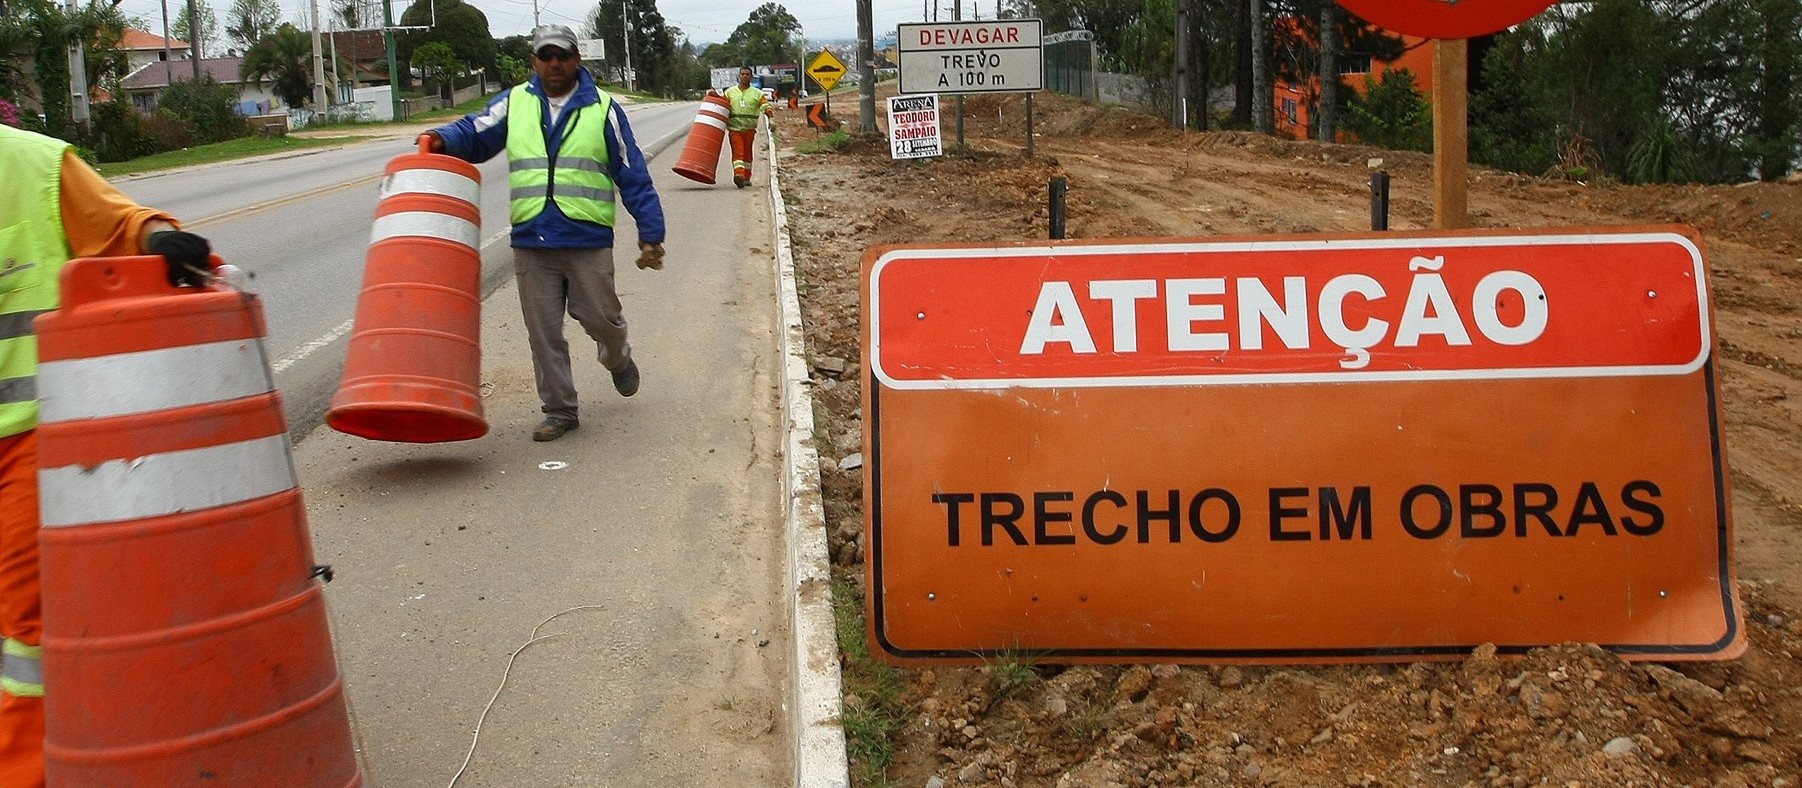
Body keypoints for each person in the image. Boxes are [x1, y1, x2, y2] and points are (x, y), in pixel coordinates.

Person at [0, 122, 211, 787]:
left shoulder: (29, 164)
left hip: (28, 436)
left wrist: (161, 243)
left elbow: (119, 224)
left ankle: (27, 772)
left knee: (25, 630)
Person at [423, 23, 667, 443]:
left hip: (586, 239)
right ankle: (560, 409)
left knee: (602, 320)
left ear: (577, 59)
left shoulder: (603, 108)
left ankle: (618, 357)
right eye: (546, 56)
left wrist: (650, 231)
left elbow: (632, 174)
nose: (555, 64)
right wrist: (440, 139)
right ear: (534, 61)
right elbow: (475, 130)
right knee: (543, 332)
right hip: (532, 239)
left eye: (563, 56)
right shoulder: (515, 103)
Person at [715, 66, 773, 188]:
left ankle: (747, 177)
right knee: (738, 152)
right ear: (739, 76)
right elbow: (722, 105)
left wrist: (771, 118)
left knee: (747, 154)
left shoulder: (757, 94)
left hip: (750, 129)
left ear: (751, 77)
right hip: (734, 129)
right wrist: (713, 96)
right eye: (743, 74)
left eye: (747, 74)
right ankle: (739, 175)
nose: (745, 76)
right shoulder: (730, 92)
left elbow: (765, 106)